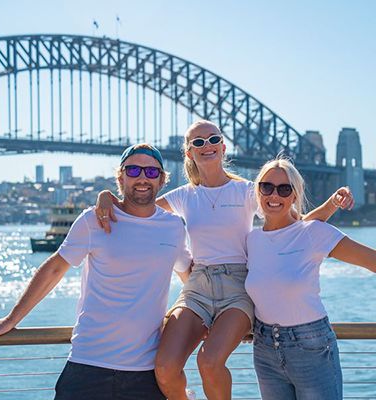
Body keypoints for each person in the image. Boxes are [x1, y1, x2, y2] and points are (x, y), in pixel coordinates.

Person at [95, 120, 354, 400]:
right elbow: (136, 209)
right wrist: (106, 197)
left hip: (238, 287)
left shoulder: (248, 191)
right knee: (165, 367)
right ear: (188, 153)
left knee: (209, 362)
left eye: (213, 139)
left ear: (223, 146)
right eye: (198, 142)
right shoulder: (184, 195)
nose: (206, 145)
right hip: (198, 286)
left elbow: (297, 227)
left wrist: (331, 205)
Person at [0, 143, 192, 400]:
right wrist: (11, 319)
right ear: (120, 177)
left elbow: (190, 277)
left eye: (151, 172)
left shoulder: (173, 227)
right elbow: (55, 268)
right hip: (87, 366)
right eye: (133, 170)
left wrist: (214, 319)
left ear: (162, 179)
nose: (142, 177)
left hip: (145, 373)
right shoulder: (93, 220)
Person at [245, 158, 376, 400]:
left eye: (284, 189)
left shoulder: (314, 232)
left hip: (311, 347)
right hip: (264, 348)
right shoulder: (251, 240)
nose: (274, 195)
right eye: (267, 187)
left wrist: (332, 203)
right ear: (258, 191)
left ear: (294, 196)